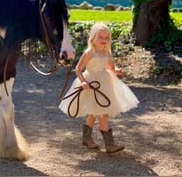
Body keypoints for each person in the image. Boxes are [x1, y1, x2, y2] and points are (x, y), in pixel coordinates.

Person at [59, 22, 139, 153]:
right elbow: (78, 69)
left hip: (105, 84)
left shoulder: (107, 53)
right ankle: (109, 145)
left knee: (94, 112)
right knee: (102, 114)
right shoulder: (89, 52)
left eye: (106, 38)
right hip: (91, 84)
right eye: (100, 37)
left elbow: (111, 69)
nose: (104, 40)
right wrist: (84, 82)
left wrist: (117, 71)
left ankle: (87, 139)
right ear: (93, 39)